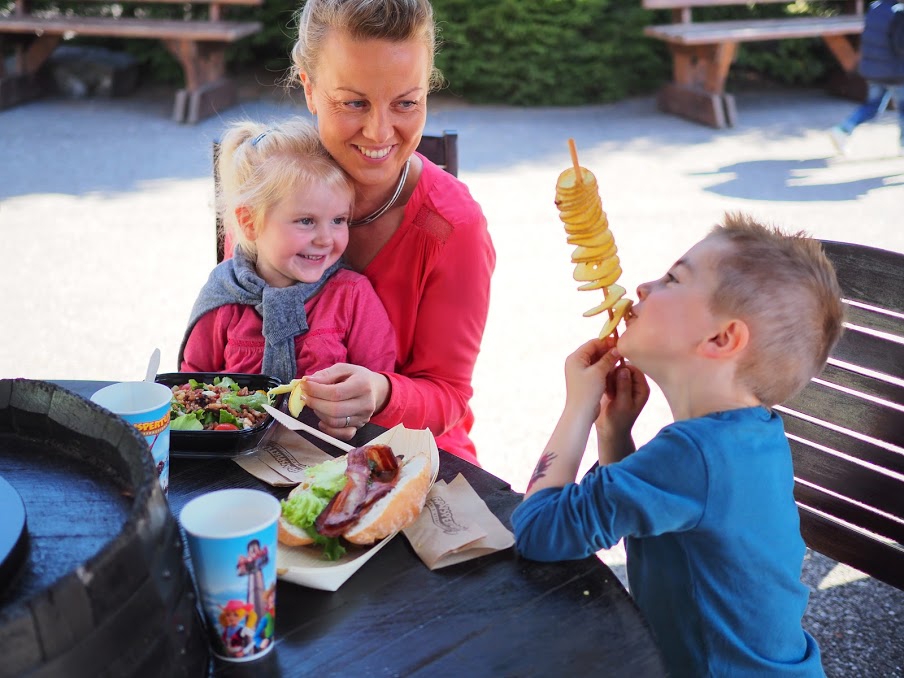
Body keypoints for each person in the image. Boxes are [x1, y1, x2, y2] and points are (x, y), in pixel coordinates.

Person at [512, 212, 844, 676]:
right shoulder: (747, 437)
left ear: (722, 337)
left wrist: (579, 408)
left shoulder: (694, 458)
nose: (643, 288)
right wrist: (614, 434)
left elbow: (539, 531)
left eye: (673, 278)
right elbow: (649, 524)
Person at [250, 0, 495, 465]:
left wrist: (383, 392)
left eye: (406, 103)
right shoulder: (265, 192)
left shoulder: (453, 225)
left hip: (413, 461)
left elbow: (449, 396)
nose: (380, 132)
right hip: (267, 451)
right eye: (353, 103)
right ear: (309, 89)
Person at [179, 117, 396, 384]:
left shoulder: (351, 296)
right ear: (249, 223)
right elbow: (191, 384)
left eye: (338, 220)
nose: (326, 239)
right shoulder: (223, 295)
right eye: (306, 221)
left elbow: (379, 381)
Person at [828, 0, 904, 155]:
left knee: (873, 105)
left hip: (873, 69)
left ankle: (843, 129)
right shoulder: (899, 12)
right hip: (896, 72)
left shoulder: (875, 7)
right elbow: (901, 45)